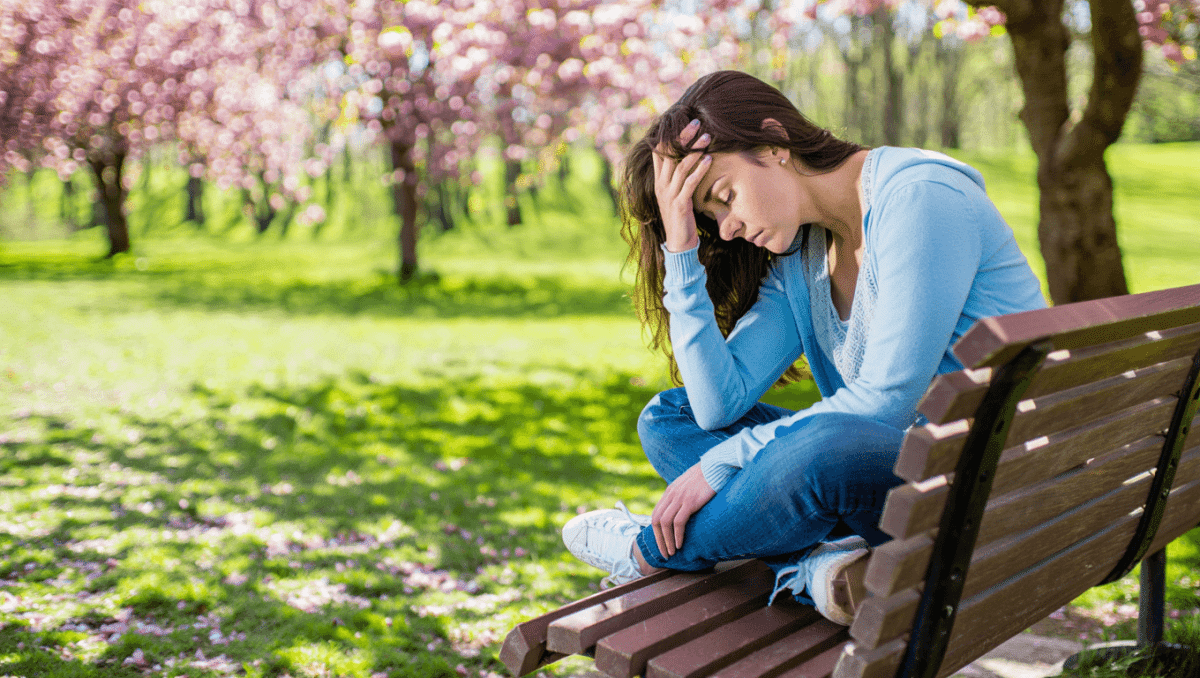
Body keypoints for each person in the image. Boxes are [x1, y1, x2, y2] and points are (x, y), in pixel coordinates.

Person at [561, 70, 1047, 625]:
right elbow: (717, 406)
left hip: (988, 486)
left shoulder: (919, 198)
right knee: (669, 418)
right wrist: (680, 249)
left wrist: (724, 462)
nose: (727, 228)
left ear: (774, 143)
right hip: (905, 480)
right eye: (710, 218)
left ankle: (648, 551)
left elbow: (885, 403)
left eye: (724, 197)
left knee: (822, 446)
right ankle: (817, 563)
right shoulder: (804, 254)